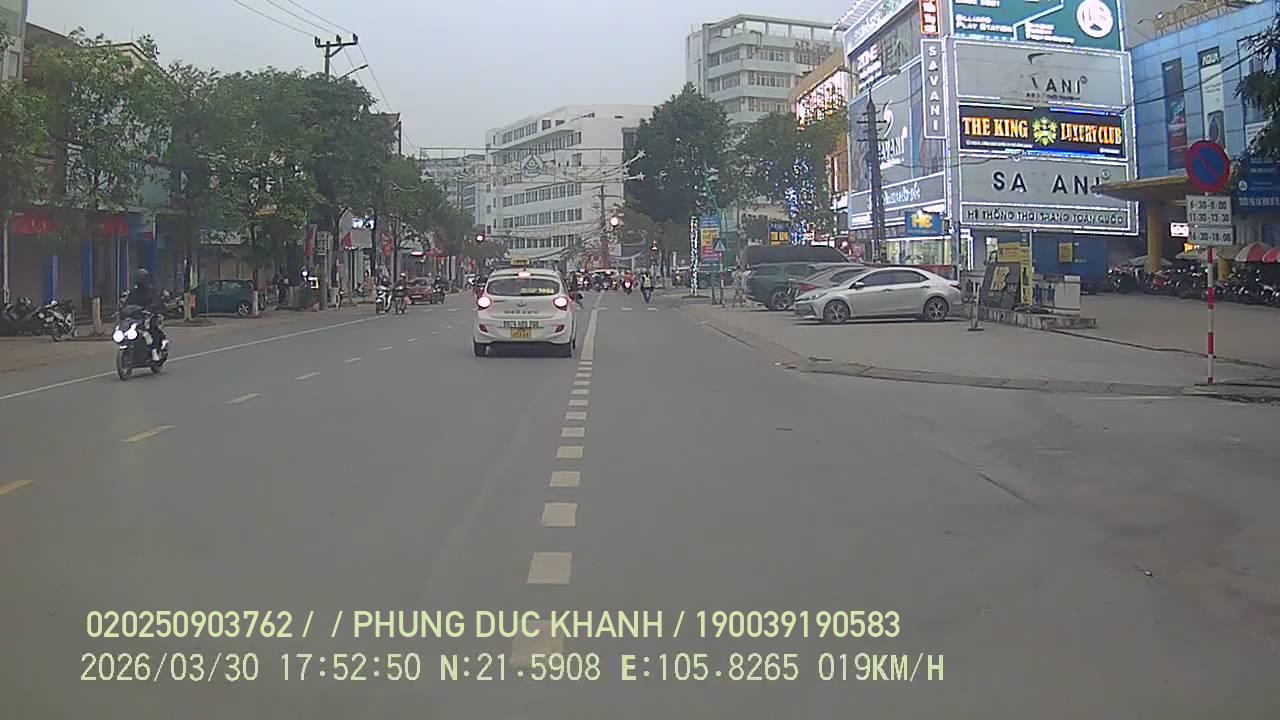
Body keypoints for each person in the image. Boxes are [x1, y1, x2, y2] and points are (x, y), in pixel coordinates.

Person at [124, 268, 166, 361]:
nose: (140, 280)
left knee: (152, 330)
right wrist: (124, 309)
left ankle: (154, 351)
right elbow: (128, 302)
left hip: (149, 316)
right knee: (127, 328)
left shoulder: (151, 291)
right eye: (139, 278)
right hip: (136, 316)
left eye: (142, 278)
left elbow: (157, 302)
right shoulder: (133, 292)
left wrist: (151, 308)